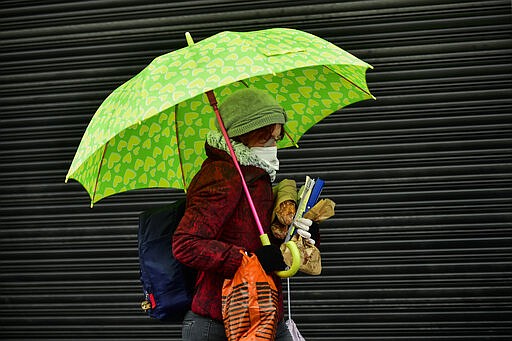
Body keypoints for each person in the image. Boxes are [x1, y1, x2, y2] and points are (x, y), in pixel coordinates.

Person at [172, 88, 313, 341]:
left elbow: (257, 236)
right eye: (266, 139)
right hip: (220, 322)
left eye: (277, 138)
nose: (273, 147)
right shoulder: (222, 175)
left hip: (263, 311)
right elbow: (186, 244)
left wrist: (297, 231)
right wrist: (249, 259)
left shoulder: (255, 176)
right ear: (242, 137)